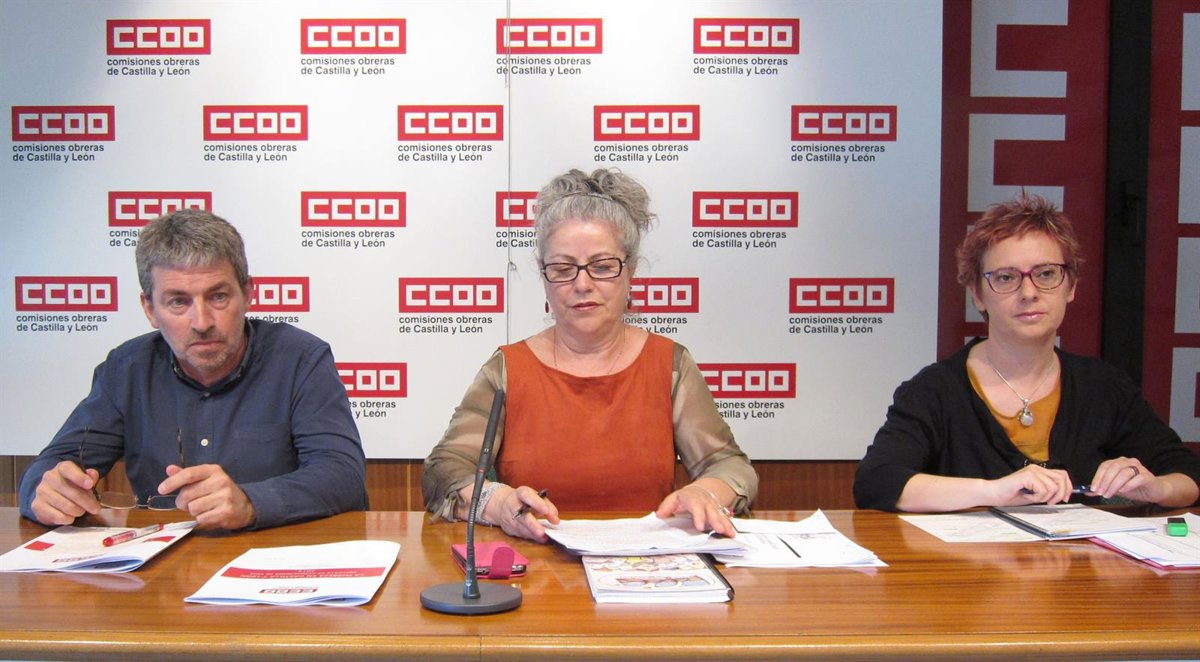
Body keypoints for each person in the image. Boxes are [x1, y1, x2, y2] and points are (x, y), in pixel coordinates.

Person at [422, 168, 758, 542]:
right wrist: (497, 503)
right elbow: (444, 469)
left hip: (647, 564)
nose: (582, 284)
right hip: (536, 563)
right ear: (544, 277)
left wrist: (706, 492)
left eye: (602, 267)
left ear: (630, 271)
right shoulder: (507, 369)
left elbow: (730, 466)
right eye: (563, 269)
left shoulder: (670, 365)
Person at [19, 208, 368, 530]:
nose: (202, 322)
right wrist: (45, 491)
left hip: (279, 558)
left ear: (248, 293)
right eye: (178, 302)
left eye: (218, 297)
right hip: (163, 568)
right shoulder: (127, 370)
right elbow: (56, 463)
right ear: (150, 309)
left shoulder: (301, 359)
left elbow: (343, 476)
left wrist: (250, 502)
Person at [854, 194, 1200, 512]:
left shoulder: (1103, 387)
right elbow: (877, 482)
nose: (1029, 292)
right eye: (1006, 278)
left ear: (1071, 286)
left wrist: (1155, 487)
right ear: (977, 294)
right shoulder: (936, 390)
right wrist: (993, 491)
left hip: (1079, 561)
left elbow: (1188, 474)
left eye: (1046, 274)